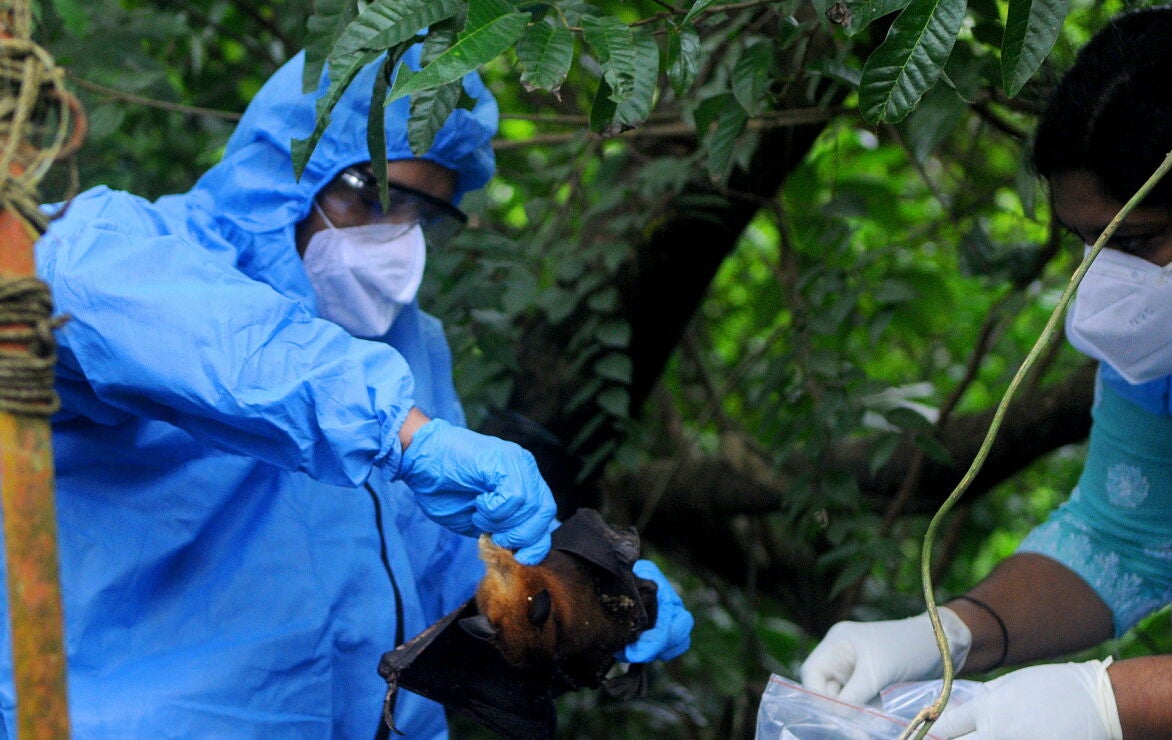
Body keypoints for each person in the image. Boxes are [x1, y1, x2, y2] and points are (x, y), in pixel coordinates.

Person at [0, 44, 692, 738]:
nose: (399, 243)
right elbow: (213, 339)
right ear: (290, 168)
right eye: (375, 197)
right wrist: (400, 430)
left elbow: (442, 565)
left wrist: (573, 593)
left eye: (425, 217)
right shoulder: (124, 251)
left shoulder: (405, 348)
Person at [800, 6, 1172, 738]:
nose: (1106, 280)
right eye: (1085, 242)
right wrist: (954, 634)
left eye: (1140, 240)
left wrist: (1111, 703)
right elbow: (1125, 534)